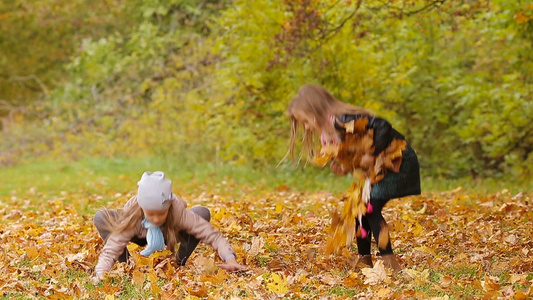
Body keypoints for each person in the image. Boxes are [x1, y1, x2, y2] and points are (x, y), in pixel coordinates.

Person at [286, 84, 421, 271]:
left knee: (370, 208)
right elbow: (357, 155)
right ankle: (364, 260)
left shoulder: (342, 119)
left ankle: (391, 264)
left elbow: (382, 126)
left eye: (307, 121)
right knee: (359, 211)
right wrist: (345, 167)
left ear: (315, 110)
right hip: (376, 170)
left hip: (398, 162)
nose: (307, 127)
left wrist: (371, 154)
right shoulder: (329, 134)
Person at [92, 171, 246, 283]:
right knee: (101, 216)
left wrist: (230, 258)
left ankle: (179, 262)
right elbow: (113, 245)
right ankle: (126, 266)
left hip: (169, 233)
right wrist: (101, 270)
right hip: (138, 233)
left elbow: (212, 235)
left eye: (161, 213)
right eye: (151, 214)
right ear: (142, 207)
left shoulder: (177, 211)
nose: (157, 218)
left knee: (201, 213)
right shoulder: (133, 215)